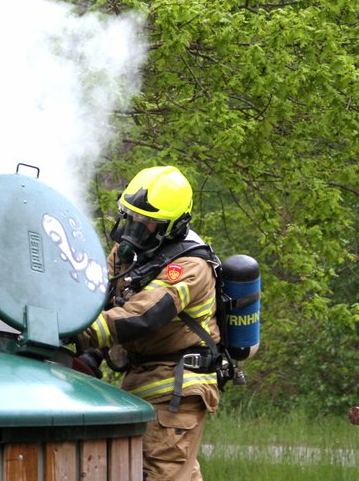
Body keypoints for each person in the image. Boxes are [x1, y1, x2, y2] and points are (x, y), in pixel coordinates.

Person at [77, 166, 220, 481]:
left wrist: (76, 331)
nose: (135, 227)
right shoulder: (129, 252)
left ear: (174, 226)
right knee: (176, 474)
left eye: (147, 222)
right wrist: (91, 355)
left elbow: (142, 316)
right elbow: (103, 299)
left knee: (160, 474)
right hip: (144, 377)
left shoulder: (189, 266)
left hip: (175, 386)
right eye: (132, 216)